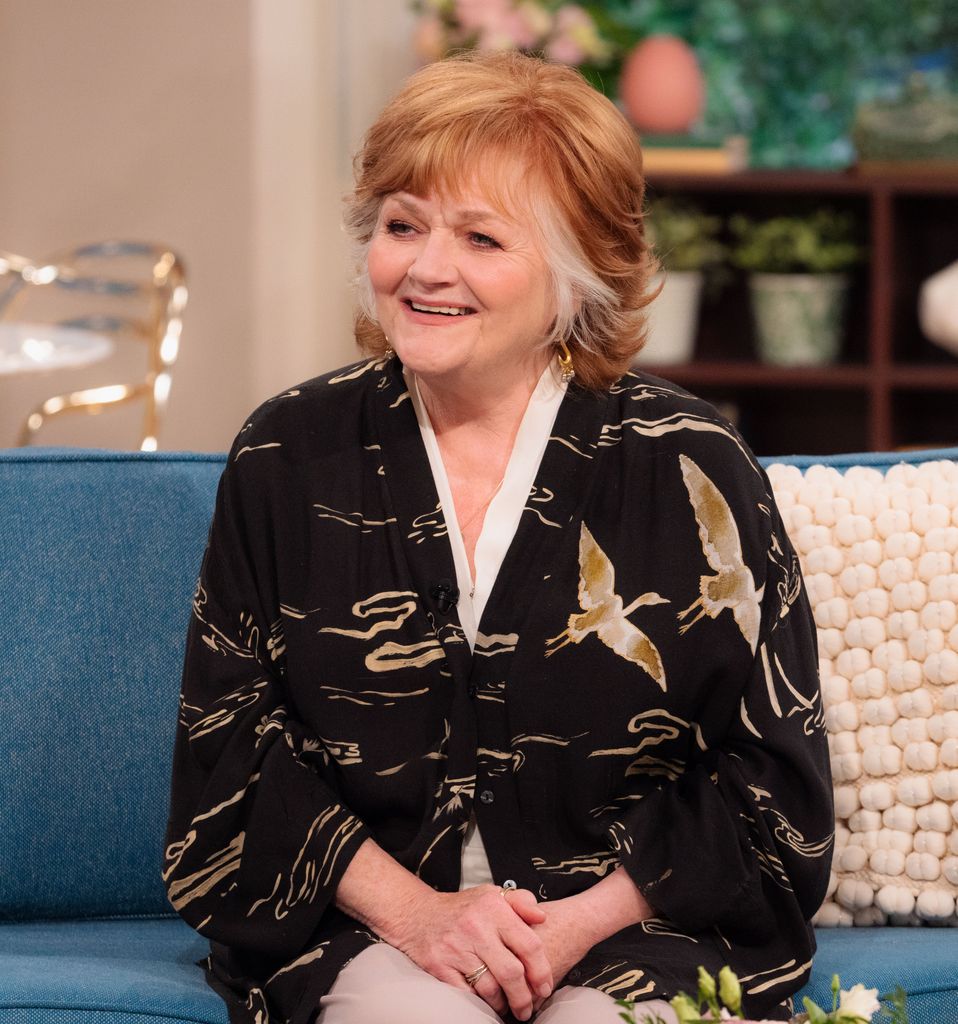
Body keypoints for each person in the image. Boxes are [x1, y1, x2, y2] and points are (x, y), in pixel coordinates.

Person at [163, 51, 833, 1024]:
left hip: (638, 931)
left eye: (481, 237)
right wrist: (424, 917)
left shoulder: (690, 463)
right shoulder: (285, 454)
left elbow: (766, 780)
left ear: (575, 275)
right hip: (369, 931)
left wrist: (565, 928)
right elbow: (234, 757)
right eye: (402, 225)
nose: (427, 268)